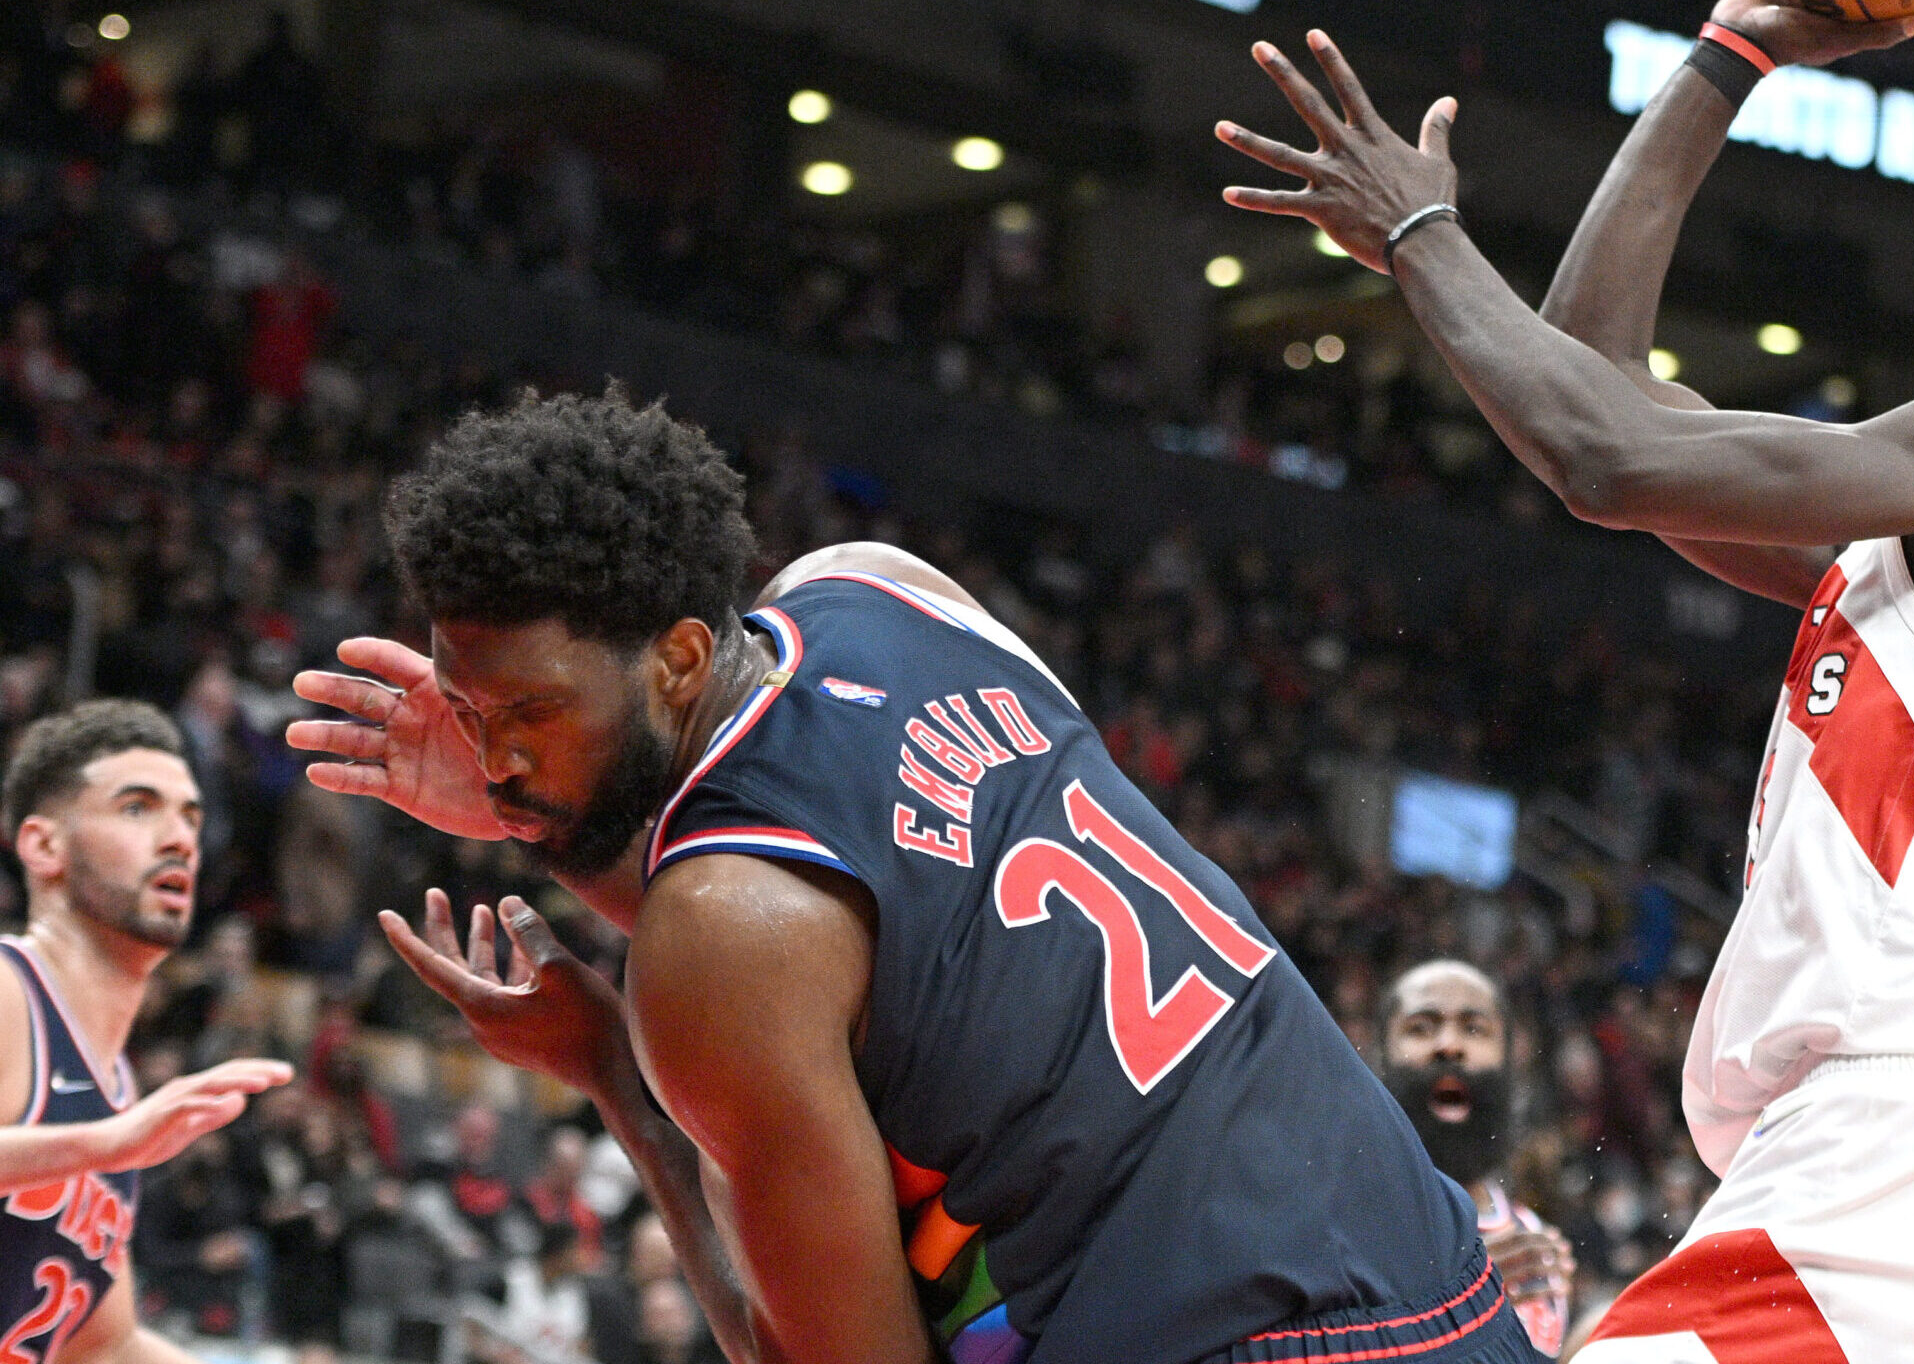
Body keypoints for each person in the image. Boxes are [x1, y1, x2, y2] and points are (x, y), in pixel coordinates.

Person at [1214, 0, 1914, 1364]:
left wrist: (1424, 233)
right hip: (1870, 1186)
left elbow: (1604, 460)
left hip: (1896, 1187)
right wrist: (1732, 56)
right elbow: (1593, 380)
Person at [286, 389, 1536, 1364]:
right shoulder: (876, 590)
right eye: (465, 705)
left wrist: (610, 1066)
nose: (493, 755)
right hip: (1434, 1277)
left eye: (531, 712)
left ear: (672, 658)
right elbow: (856, 890)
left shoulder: (717, 944)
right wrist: (547, 811)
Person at [0, 700, 294, 1364]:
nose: (181, 838)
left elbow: (103, 1347)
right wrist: (103, 1145)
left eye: (191, 815)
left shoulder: (116, 1089)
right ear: (45, 846)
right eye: (138, 807)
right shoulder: (8, 992)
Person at [1379, 962, 1573, 1355]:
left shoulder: (1530, 1239)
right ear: (1381, 1055)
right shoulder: (1340, 1223)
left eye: (1474, 1028)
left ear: (1509, 1058)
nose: (1449, 1045)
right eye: (1420, 1027)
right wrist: (1466, 1298)